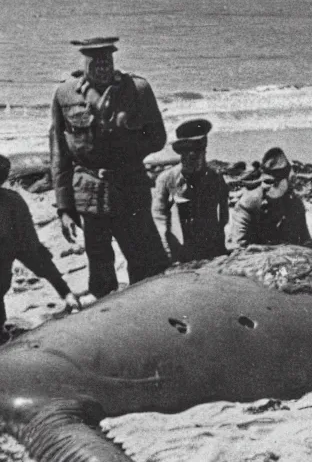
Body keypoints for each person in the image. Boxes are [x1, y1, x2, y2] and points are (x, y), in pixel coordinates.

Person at [50, 37, 169, 299]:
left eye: (107, 61)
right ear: (85, 63)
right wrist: (64, 208)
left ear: (114, 60)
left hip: (130, 189)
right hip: (89, 195)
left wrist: (125, 137)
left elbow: (158, 138)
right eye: (96, 63)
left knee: (146, 264)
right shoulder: (66, 94)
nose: (103, 68)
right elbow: (59, 154)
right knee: (101, 270)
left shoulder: (136, 90)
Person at [0, 155, 81, 341]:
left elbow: (32, 249)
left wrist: (65, 292)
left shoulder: (12, 201)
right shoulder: (13, 200)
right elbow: (33, 250)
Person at [152, 119, 229, 262]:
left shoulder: (215, 178)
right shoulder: (167, 179)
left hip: (210, 250)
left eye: (198, 151)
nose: (192, 157)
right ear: (181, 153)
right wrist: (168, 252)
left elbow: (224, 217)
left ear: (204, 151)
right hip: (180, 252)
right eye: (187, 153)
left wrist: (221, 249)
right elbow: (159, 219)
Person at [231, 147, 310, 247]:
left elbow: (305, 241)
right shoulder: (247, 205)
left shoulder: (295, 204)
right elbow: (238, 246)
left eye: (273, 182)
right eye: (266, 181)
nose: (266, 187)